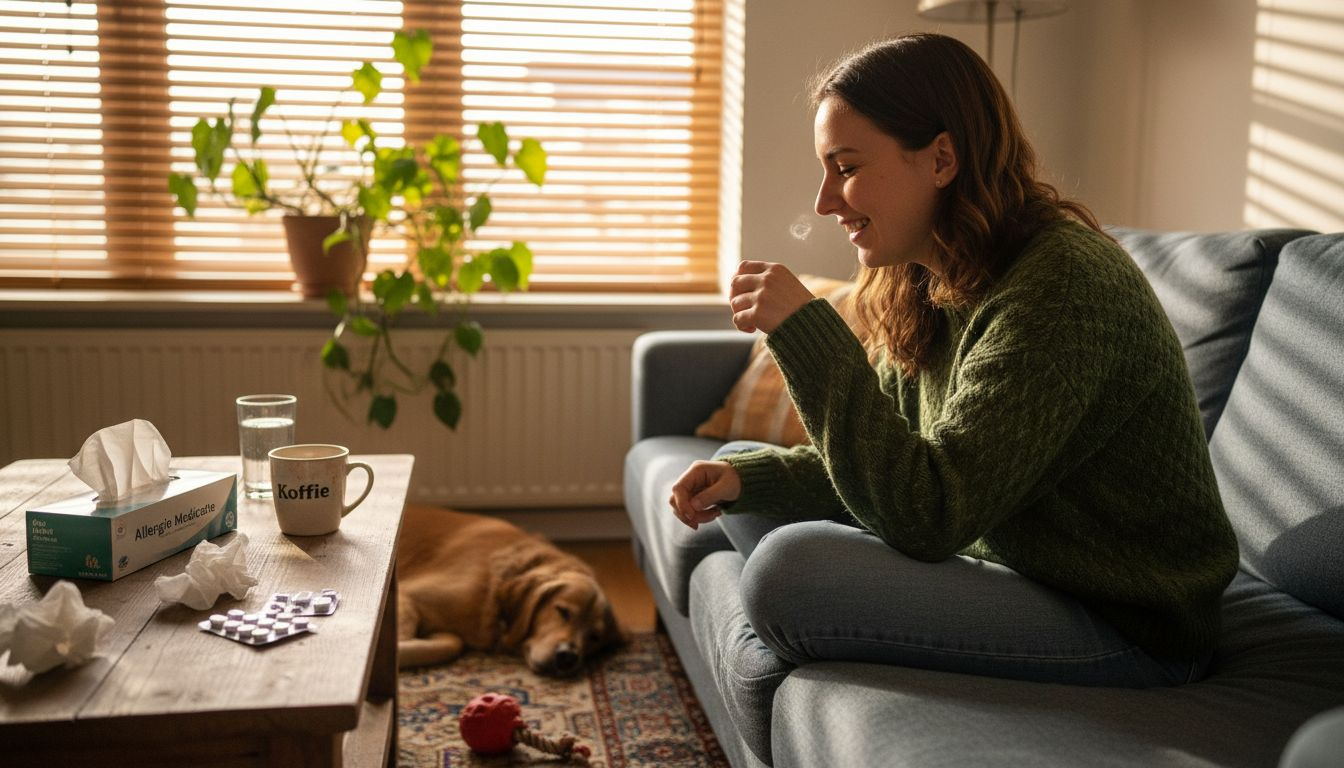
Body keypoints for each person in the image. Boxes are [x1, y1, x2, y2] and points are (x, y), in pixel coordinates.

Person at [667, 33, 1239, 688]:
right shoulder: (923, 279)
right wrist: (748, 480)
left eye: (846, 168)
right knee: (745, 480)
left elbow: (929, 512)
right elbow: (890, 463)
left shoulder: (1063, 286)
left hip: (1123, 618)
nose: (825, 201)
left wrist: (806, 333)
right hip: (1001, 564)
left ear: (941, 159)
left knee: (785, 572)